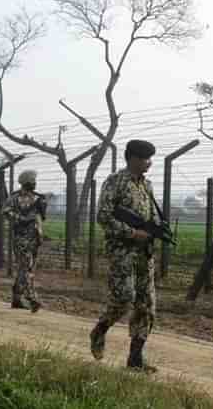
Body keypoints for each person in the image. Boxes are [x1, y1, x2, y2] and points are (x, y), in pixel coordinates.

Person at [90, 139, 158, 373]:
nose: (149, 163)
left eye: (150, 159)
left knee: (146, 305)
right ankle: (100, 329)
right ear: (132, 158)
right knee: (123, 298)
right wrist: (131, 233)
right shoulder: (115, 182)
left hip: (143, 253)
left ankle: (135, 359)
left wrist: (153, 229)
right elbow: (103, 216)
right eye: (145, 159)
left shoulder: (146, 185)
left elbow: (148, 216)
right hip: (122, 251)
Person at [3, 170, 47, 313]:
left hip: (34, 238)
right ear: (26, 182)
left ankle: (16, 299)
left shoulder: (38, 198)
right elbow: (6, 212)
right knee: (27, 268)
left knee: (25, 269)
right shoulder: (14, 197)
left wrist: (40, 235)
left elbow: (41, 218)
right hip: (21, 238)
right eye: (33, 181)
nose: (35, 183)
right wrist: (21, 219)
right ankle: (32, 298)